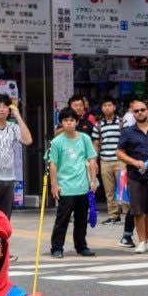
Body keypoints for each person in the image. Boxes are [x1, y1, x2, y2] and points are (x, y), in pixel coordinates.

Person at [47, 106, 98, 259]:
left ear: (76, 122)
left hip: (82, 186)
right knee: (62, 219)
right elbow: (53, 164)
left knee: (82, 220)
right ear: (61, 122)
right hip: (65, 187)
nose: (69, 123)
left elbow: (91, 159)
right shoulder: (56, 142)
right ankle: (57, 247)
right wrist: (54, 185)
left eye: (72, 120)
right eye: (65, 120)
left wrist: (93, 181)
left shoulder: (85, 138)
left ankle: (81, 246)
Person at [116, 98, 148, 254]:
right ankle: (141, 240)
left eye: (143, 110)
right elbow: (119, 152)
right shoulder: (128, 132)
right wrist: (135, 162)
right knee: (137, 211)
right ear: (133, 113)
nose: (140, 113)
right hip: (134, 176)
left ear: (147, 111)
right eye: (136, 111)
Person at [95, 97, 125, 229]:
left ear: (114, 107)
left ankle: (128, 215)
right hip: (105, 161)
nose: (107, 107)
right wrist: (94, 161)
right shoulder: (98, 125)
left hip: (120, 161)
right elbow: (96, 144)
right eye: (105, 105)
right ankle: (114, 216)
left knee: (124, 189)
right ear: (102, 108)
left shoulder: (122, 122)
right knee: (109, 190)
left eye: (109, 105)